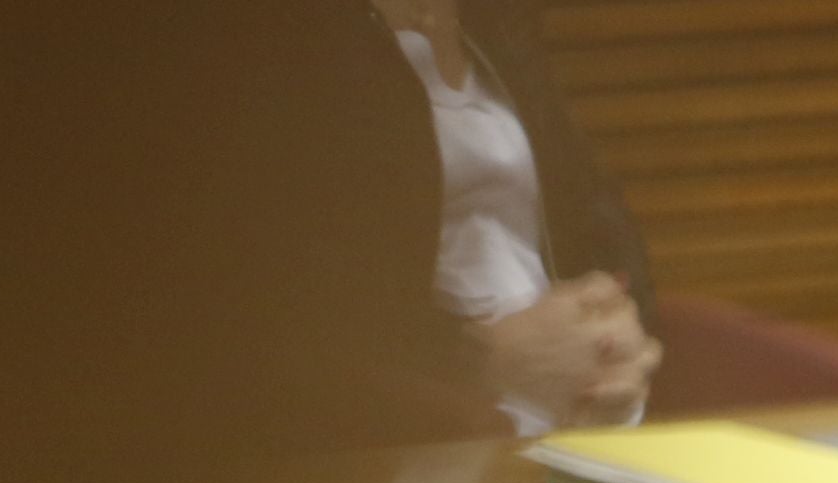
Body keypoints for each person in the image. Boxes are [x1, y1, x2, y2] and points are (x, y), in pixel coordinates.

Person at [252, 0, 664, 440]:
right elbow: (274, 308)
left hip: (566, 425)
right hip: (391, 440)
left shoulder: (497, 23)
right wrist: (478, 355)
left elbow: (596, 217)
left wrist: (614, 324)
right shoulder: (279, 36)